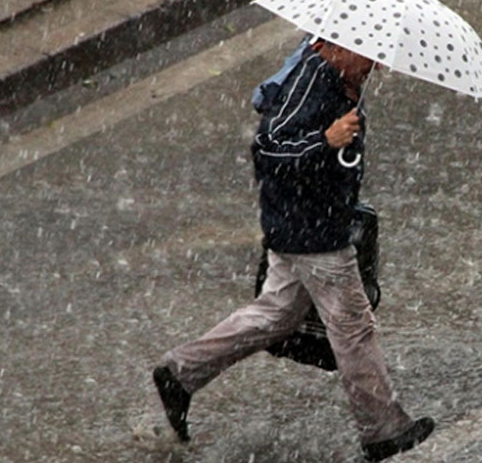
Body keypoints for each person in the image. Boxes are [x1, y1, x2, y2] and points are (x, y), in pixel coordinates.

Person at [152, 36, 435, 462]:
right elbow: (268, 149)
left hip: (304, 225)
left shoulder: (333, 78)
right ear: (335, 45)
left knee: (276, 314)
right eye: (369, 56)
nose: (376, 66)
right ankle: (383, 429)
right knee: (353, 327)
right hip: (312, 232)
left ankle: (181, 372)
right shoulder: (310, 80)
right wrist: (327, 141)